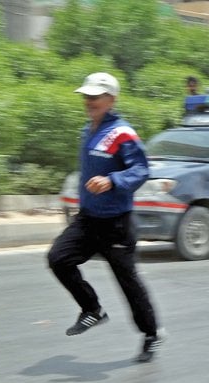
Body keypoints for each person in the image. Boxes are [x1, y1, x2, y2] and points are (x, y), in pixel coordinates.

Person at [47, 72, 165, 363]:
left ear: (111, 99)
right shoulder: (87, 130)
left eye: (95, 97)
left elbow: (140, 170)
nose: (89, 102)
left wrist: (112, 180)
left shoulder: (123, 133)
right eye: (86, 97)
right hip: (88, 219)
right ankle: (92, 309)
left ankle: (150, 335)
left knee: (129, 283)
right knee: (58, 259)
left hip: (116, 225)